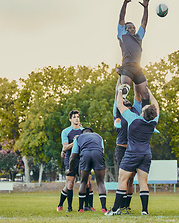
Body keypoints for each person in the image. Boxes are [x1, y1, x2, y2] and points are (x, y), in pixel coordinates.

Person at [106, 86, 159, 216]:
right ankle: (144, 210)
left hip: (132, 154)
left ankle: (114, 210)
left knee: (122, 180)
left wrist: (119, 90)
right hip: (146, 155)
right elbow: (156, 105)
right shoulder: (153, 121)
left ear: (143, 112)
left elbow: (119, 104)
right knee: (143, 183)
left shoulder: (133, 119)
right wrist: (149, 92)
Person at [116, 0, 151, 110]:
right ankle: (118, 115)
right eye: (129, 27)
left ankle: (146, 118)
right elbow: (122, 17)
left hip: (137, 68)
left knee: (145, 94)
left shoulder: (138, 37)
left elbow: (144, 23)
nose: (132, 29)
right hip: (127, 67)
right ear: (125, 29)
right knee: (124, 89)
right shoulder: (122, 35)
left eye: (133, 27)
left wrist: (146, 8)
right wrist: (125, 3)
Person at [113, 77, 142, 213]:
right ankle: (119, 206)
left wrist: (135, 77)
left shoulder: (136, 110)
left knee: (131, 179)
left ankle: (126, 206)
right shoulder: (118, 113)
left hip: (133, 150)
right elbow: (116, 94)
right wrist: (120, 78)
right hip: (121, 149)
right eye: (123, 100)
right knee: (123, 178)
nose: (125, 100)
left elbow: (137, 95)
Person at [57, 110, 94, 212]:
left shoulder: (84, 131)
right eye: (74, 117)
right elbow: (65, 148)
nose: (76, 118)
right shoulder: (66, 132)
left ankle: (87, 206)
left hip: (83, 159)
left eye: (78, 116)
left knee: (87, 183)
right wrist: (75, 142)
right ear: (70, 119)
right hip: (70, 160)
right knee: (70, 183)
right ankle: (68, 207)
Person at [66, 128, 108, 213]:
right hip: (98, 154)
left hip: (85, 154)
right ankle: (104, 208)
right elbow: (102, 152)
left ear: (83, 133)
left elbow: (73, 156)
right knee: (100, 182)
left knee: (83, 182)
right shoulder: (99, 137)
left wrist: (70, 169)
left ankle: (80, 208)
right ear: (92, 132)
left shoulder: (79, 137)